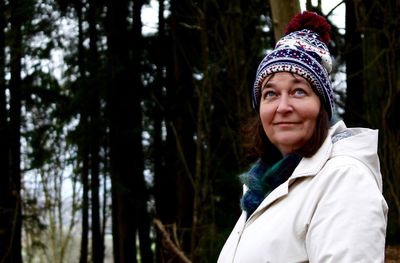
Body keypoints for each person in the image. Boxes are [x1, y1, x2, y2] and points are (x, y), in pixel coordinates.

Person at [218, 11, 388, 262]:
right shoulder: (262, 189)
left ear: (322, 107)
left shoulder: (343, 179)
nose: (283, 106)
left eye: (298, 91)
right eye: (270, 94)